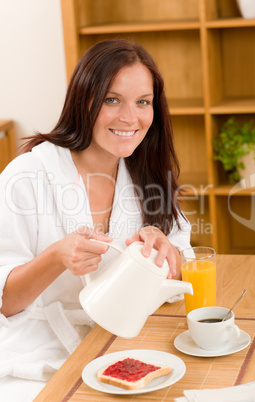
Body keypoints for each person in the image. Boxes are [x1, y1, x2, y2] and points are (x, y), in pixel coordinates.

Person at [0, 39, 191, 400]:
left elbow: (182, 264)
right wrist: (56, 257)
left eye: (143, 102)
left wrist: (164, 253)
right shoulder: (26, 176)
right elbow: (4, 301)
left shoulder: (146, 173)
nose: (129, 118)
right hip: (36, 353)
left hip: (126, 344)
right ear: (83, 100)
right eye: (111, 99)